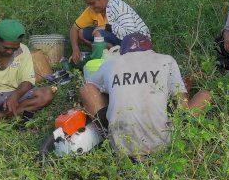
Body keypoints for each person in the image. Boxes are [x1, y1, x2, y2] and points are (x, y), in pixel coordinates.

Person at [77, 33, 212, 158]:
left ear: (123, 51)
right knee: (205, 95)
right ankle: (181, 134)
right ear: (150, 49)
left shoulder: (111, 63)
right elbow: (182, 100)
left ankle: (108, 134)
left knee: (86, 90)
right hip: (162, 145)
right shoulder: (166, 60)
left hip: (121, 147)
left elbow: (89, 86)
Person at [69, 0, 151, 63]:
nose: (91, 7)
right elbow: (74, 29)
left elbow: (130, 33)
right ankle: (110, 53)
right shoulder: (91, 10)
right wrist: (75, 49)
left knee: (99, 34)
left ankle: (103, 61)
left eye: (92, 3)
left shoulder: (118, 6)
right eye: (88, 4)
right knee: (81, 32)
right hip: (116, 38)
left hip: (138, 42)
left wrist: (107, 27)